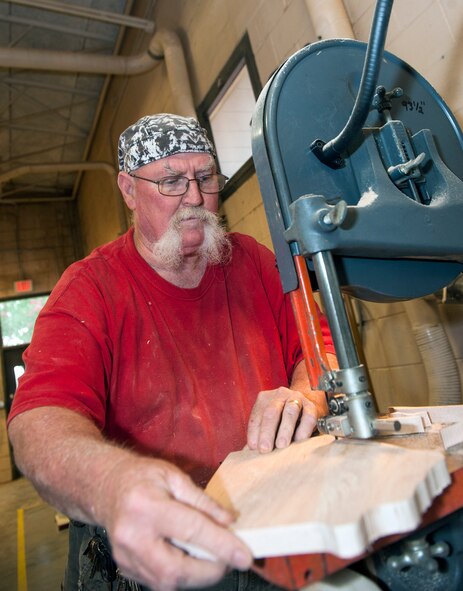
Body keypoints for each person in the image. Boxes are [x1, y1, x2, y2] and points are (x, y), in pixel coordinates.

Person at [7, 114, 335, 591]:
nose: (196, 199)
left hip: (268, 521)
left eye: (205, 177)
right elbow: (37, 423)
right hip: (146, 551)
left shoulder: (253, 261)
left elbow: (319, 348)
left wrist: (306, 394)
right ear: (127, 190)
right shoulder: (89, 290)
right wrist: (111, 485)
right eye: (170, 182)